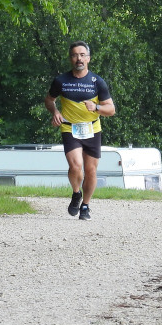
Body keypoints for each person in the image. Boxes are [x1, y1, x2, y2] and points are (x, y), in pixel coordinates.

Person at [44, 42, 115, 220]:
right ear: (70, 59)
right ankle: (76, 193)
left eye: (82, 55)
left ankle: (85, 206)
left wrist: (96, 107)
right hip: (70, 128)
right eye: (75, 55)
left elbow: (111, 109)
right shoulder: (61, 81)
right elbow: (49, 100)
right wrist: (55, 112)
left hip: (92, 128)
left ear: (88, 58)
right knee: (75, 166)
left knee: (91, 171)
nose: (79, 59)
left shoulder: (97, 82)